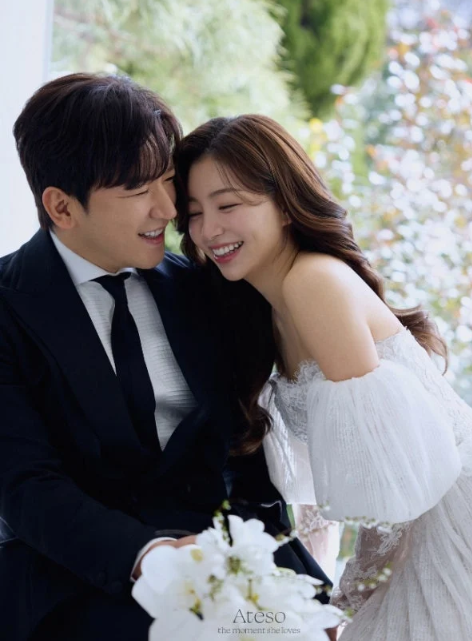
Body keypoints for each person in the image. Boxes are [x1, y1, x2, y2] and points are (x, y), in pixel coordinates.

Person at [0, 76, 331, 641]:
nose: (168, 208)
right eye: (137, 191)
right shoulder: (9, 307)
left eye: (168, 179)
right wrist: (153, 556)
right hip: (75, 581)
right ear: (61, 206)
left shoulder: (204, 286)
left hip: (224, 559)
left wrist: (296, 583)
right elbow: (27, 486)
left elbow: (244, 458)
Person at [174, 113, 472, 641]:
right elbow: (332, 483)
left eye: (228, 205)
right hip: (420, 523)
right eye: (194, 212)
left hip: (459, 514)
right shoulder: (268, 307)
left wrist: (343, 600)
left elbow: (391, 493)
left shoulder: (313, 283)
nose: (208, 229)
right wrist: (314, 592)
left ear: (285, 202)